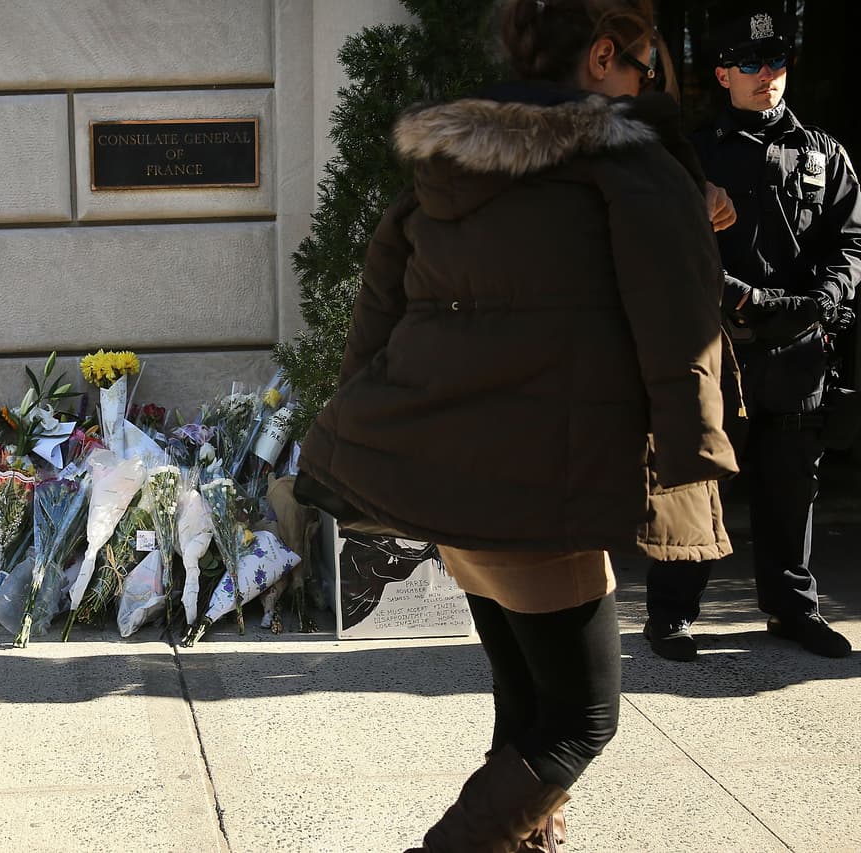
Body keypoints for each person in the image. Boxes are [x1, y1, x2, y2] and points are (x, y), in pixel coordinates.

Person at [296, 0, 738, 849]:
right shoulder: (628, 162)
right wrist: (694, 458)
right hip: (546, 487)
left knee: (526, 706)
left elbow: (376, 307)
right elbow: (682, 317)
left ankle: (527, 840)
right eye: (645, 66)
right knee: (579, 720)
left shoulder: (451, 162)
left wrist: (365, 437)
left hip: (455, 482)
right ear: (603, 56)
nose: (649, 85)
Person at [643, 10, 860, 662]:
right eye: (750, 64)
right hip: (722, 346)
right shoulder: (697, 156)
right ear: (722, 75)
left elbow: (851, 241)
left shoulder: (824, 153)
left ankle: (793, 608)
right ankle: (671, 613)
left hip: (797, 348)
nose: (766, 75)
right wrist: (734, 291)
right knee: (700, 480)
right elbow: (670, 246)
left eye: (775, 62)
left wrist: (826, 297)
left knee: (791, 482)